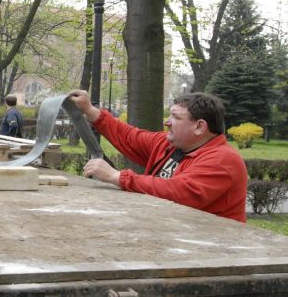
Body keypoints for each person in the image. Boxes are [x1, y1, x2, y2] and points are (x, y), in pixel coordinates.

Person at [68, 89, 247, 223]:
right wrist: (89, 110)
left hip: (216, 250)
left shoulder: (223, 160)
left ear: (199, 127)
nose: (166, 122)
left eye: (176, 117)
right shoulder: (168, 144)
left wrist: (117, 177)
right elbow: (130, 137)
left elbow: (179, 192)